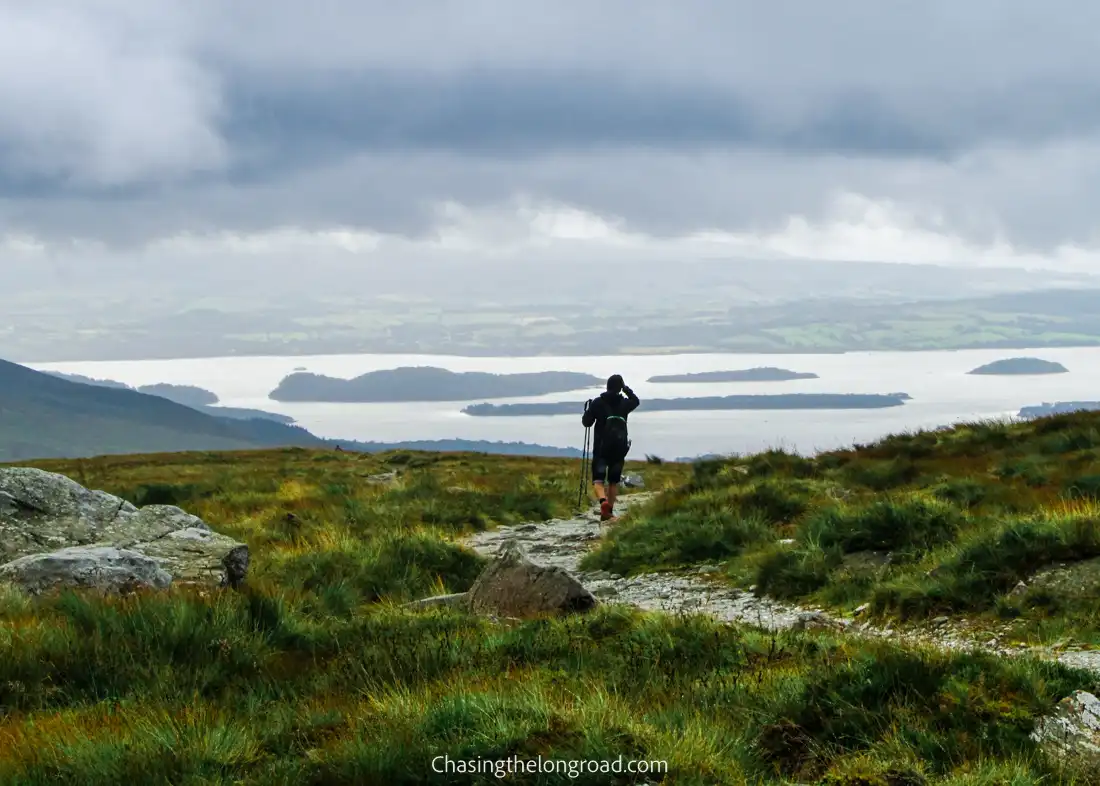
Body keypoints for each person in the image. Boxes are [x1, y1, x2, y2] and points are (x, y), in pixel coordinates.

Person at [581, 374, 640, 522]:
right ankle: (609, 512)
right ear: (620, 388)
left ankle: (603, 502)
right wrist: (626, 389)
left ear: (607, 386)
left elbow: (587, 422)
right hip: (619, 449)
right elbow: (636, 401)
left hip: (601, 448)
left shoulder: (597, 403)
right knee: (613, 481)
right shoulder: (624, 403)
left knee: (598, 480)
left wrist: (588, 410)